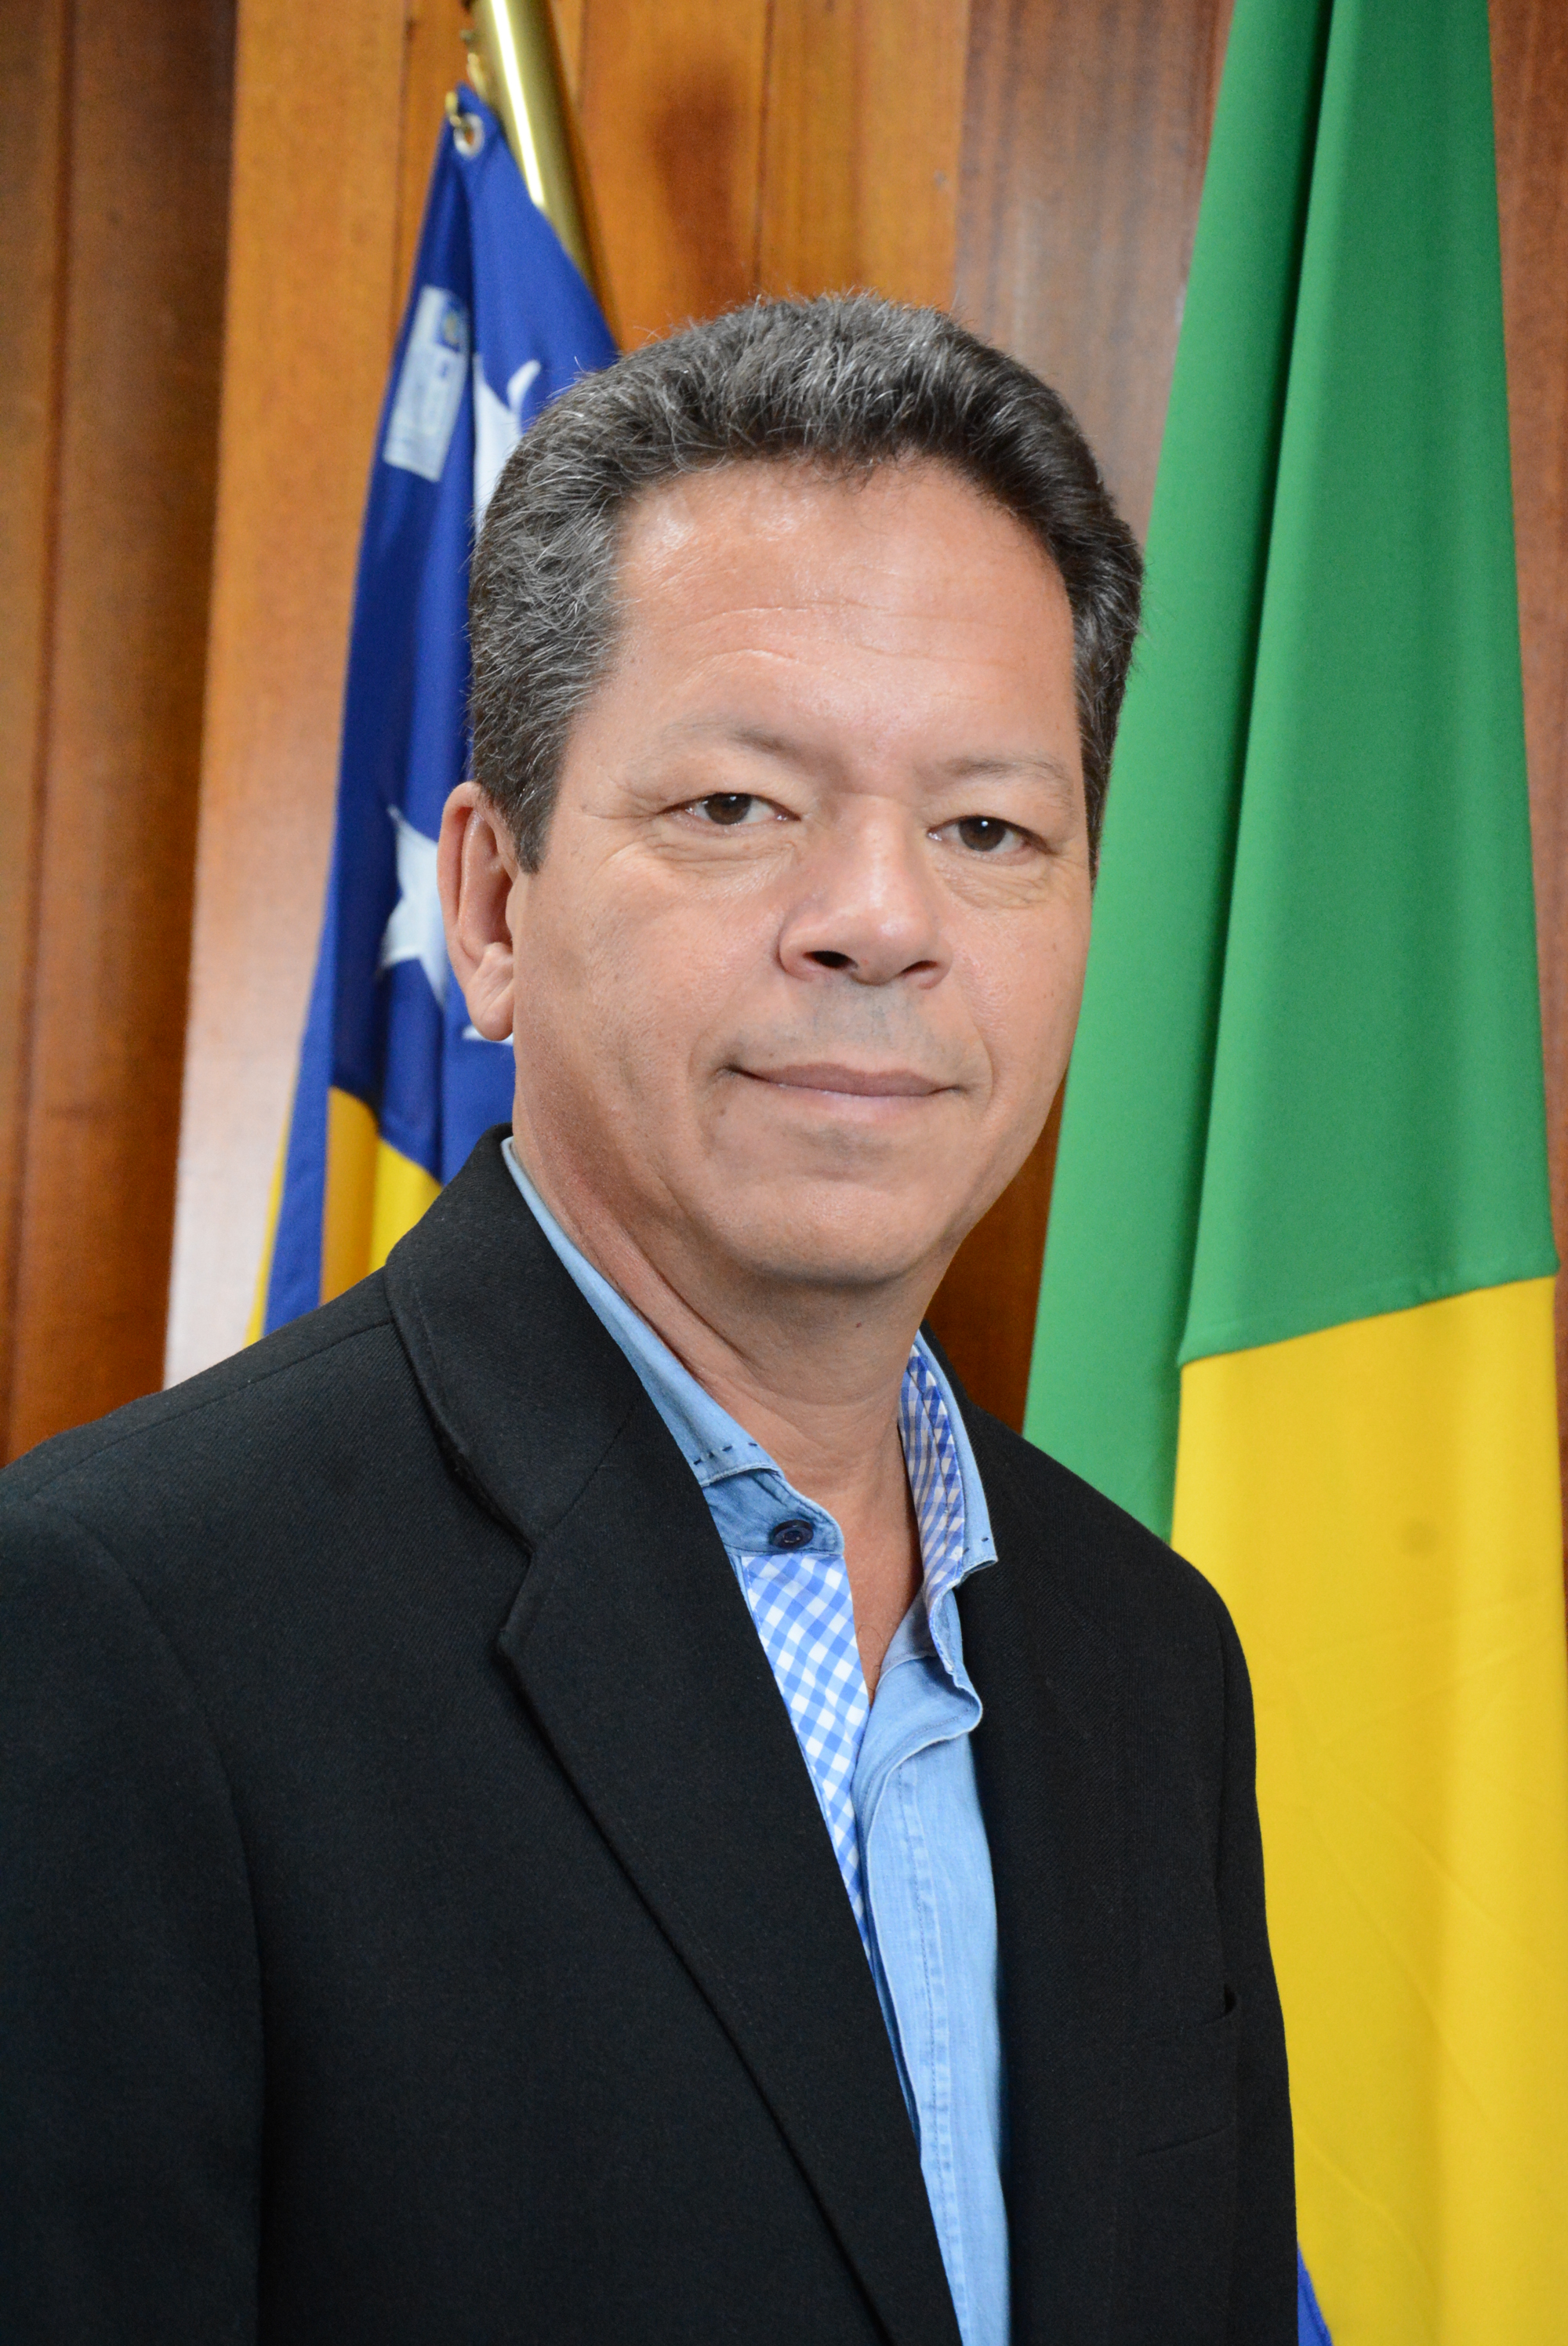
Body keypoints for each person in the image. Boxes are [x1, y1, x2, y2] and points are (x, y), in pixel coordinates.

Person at [0, 295, 1294, 2344]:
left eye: (989, 829)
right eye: (736, 808)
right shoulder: (116, 1627)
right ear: (491, 909)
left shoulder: (1152, 1660)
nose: (881, 919)